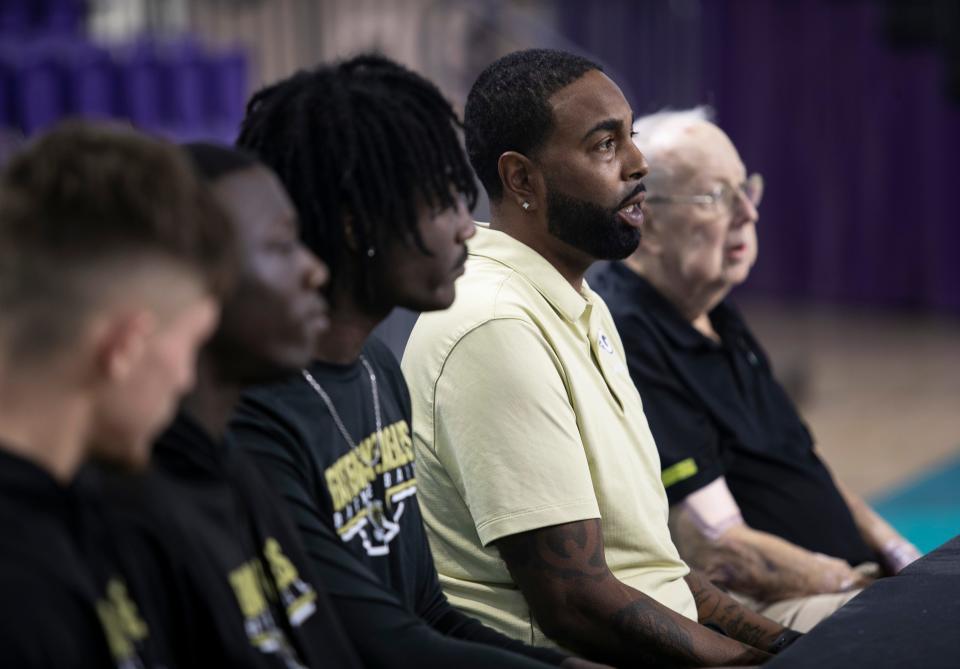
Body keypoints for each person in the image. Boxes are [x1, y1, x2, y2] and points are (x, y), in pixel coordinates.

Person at [401, 48, 803, 667]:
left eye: (630, 135)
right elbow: (576, 603)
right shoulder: (496, 325)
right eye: (605, 145)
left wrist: (780, 644)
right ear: (521, 179)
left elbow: (652, 564)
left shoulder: (576, 299)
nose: (640, 163)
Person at [231, 54, 602, 668]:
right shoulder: (260, 415)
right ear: (356, 228)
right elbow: (375, 640)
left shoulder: (377, 369)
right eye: (440, 204)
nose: (466, 228)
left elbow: (426, 610)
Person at [590, 107, 921, 631]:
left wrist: (907, 560)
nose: (749, 212)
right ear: (646, 221)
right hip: (762, 603)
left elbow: (805, 466)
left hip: (841, 581)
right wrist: (871, 592)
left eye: (748, 189)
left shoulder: (715, 313)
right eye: (718, 196)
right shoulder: (629, 333)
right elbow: (719, 547)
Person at [92, 143, 363, 668]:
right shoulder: (130, 516)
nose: (315, 271)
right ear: (189, 283)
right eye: (282, 246)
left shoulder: (230, 463)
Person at [0, 122, 232, 667]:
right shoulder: (25, 595)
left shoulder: (88, 504)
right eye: (191, 344)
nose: (184, 378)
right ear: (125, 347)